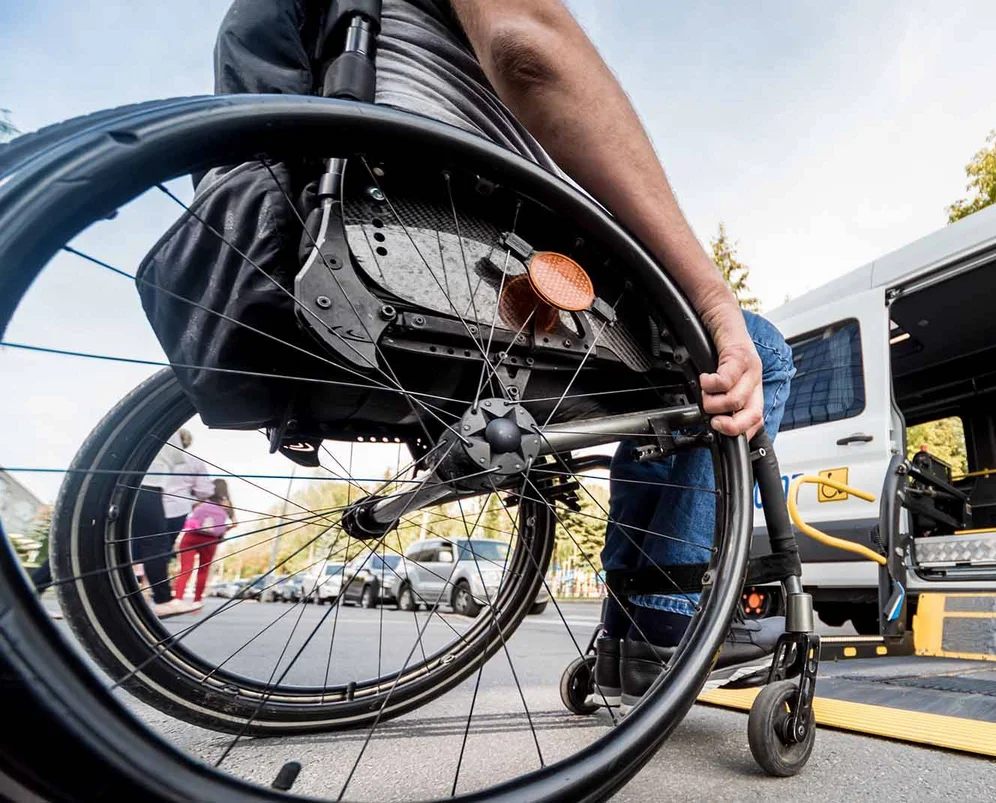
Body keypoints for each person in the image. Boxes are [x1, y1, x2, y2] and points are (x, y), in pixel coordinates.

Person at [214, 0, 794, 703]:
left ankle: (624, 637)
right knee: (756, 348)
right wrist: (713, 302)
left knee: (667, 384)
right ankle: (660, 623)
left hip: (368, 225)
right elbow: (530, 51)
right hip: (464, 243)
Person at [136, 428, 215, 618]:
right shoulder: (194, 462)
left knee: (142, 548)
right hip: (174, 509)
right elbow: (205, 490)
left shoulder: (150, 455)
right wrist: (192, 497)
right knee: (158, 550)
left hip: (148, 501)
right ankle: (160, 597)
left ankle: (147, 590)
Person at [171, 479, 235, 612]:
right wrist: (221, 531)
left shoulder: (201, 500)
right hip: (210, 541)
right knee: (203, 570)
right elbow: (235, 523)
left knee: (185, 569)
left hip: (191, 537)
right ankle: (197, 602)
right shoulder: (226, 505)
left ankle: (177, 599)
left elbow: (189, 514)